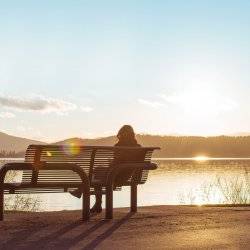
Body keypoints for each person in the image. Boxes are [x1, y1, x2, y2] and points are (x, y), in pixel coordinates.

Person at [70, 125, 142, 213]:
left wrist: (111, 163)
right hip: (126, 176)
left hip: (115, 176)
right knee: (98, 171)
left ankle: (90, 197)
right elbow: (130, 163)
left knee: (97, 172)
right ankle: (92, 200)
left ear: (121, 134)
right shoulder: (138, 147)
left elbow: (118, 162)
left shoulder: (119, 146)